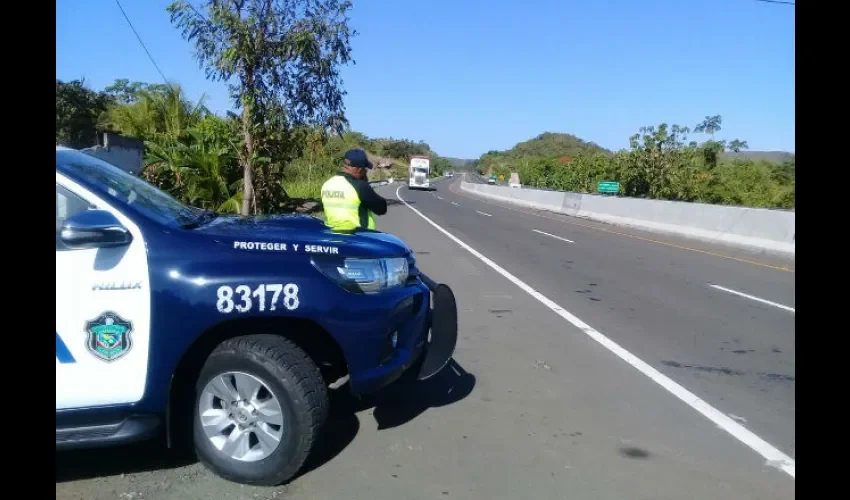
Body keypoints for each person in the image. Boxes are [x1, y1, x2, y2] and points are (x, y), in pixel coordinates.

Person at [320, 149, 388, 231]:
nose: (365, 172)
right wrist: (364, 183)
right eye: (364, 170)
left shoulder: (327, 184)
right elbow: (381, 208)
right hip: (357, 238)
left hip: (333, 238)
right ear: (359, 170)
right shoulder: (359, 186)